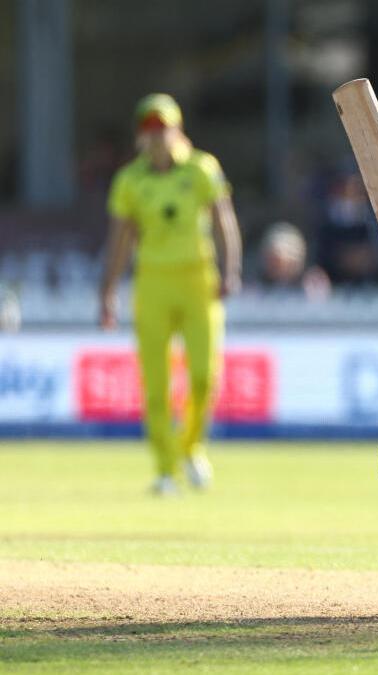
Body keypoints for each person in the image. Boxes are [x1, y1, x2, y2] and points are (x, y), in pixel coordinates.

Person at [98, 93, 242, 496]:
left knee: (202, 377)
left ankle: (191, 449)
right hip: (153, 282)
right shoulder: (130, 180)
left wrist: (230, 270)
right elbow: (119, 241)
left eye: (163, 127)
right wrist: (107, 291)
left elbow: (223, 220)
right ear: (139, 135)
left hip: (198, 280)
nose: (157, 136)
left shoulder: (200, 169)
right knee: (157, 385)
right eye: (149, 128)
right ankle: (164, 469)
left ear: (178, 129)